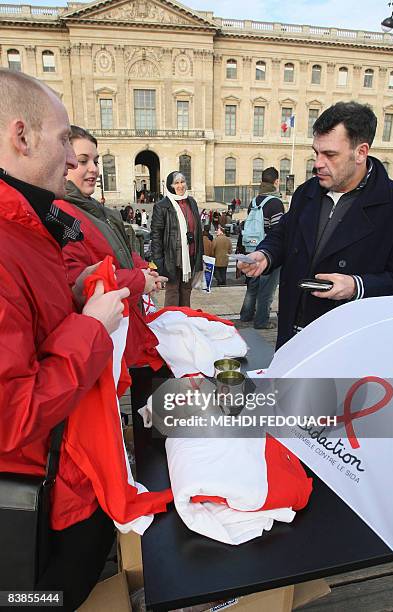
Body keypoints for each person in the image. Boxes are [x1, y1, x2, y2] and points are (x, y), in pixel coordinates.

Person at [0, 69, 129, 607]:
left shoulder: (26, 225)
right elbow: (12, 414)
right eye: (62, 140)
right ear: (21, 136)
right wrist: (92, 328)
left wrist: (73, 298)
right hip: (37, 505)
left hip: (65, 481)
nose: (74, 161)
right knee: (41, 602)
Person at [238, 101, 393, 349]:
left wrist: (356, 286)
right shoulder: (307, 192)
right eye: (316, 152)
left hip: (346, 343)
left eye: (330, 155)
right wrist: (266, 255)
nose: (317, 163)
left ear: (361, 152)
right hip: (292, 332)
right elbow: (284, 234)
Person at [56, 125, 166, 368]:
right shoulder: (63, 214)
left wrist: (145, 270)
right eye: (82, 161)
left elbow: (121, 251)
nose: (94, 169)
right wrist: (139, 280)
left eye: (95, 160)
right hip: (104, 332)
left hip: (122, 323)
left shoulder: (93, 209)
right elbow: (78, 283)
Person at [240, 167, 284, 329]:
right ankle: (261, 321)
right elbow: (278, 230)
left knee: (252, 285)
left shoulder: (255, 201)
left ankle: (246, 315)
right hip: (267, 253)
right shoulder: (276, 203)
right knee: (267, 288)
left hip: (252, 248)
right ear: (276, 181)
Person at [151, 171, 203, 307]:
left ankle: (185, 319)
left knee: (186, 290)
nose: (180, 186)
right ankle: (172, 323)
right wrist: (158, 262)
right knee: (173, 291)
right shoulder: (162, 206)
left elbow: (198, 230)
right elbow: (156, 236)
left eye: (182, 182)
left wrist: (199, 256)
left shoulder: (191, 202)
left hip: (190, 255)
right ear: (170, 186)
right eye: (177, 183)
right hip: (172, 258)